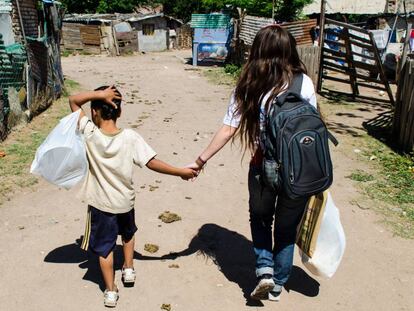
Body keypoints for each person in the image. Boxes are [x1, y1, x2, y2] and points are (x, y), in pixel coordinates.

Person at [188, 25, 317, 302]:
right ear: (289, 49)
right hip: (298, 171)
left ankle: (265, 269)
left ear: (257, 50)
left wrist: (200, 160)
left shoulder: (249, 83)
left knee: (260, 220)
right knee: (286, 227)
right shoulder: (303, 82)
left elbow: (228, 128)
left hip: (263, 165)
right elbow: (312, 131)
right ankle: (279, 284)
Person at [69, 86, 197, 307]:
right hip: (125, 202)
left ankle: (110, 291)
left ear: (94, 113)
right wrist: (180, 172)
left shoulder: (90, 134)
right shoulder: (130, 137)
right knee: (128, 234)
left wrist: (99, 95)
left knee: (105, 249)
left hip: (101, 205)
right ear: (120, 112)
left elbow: (73, 100)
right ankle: (129, 268)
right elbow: (152, 162)